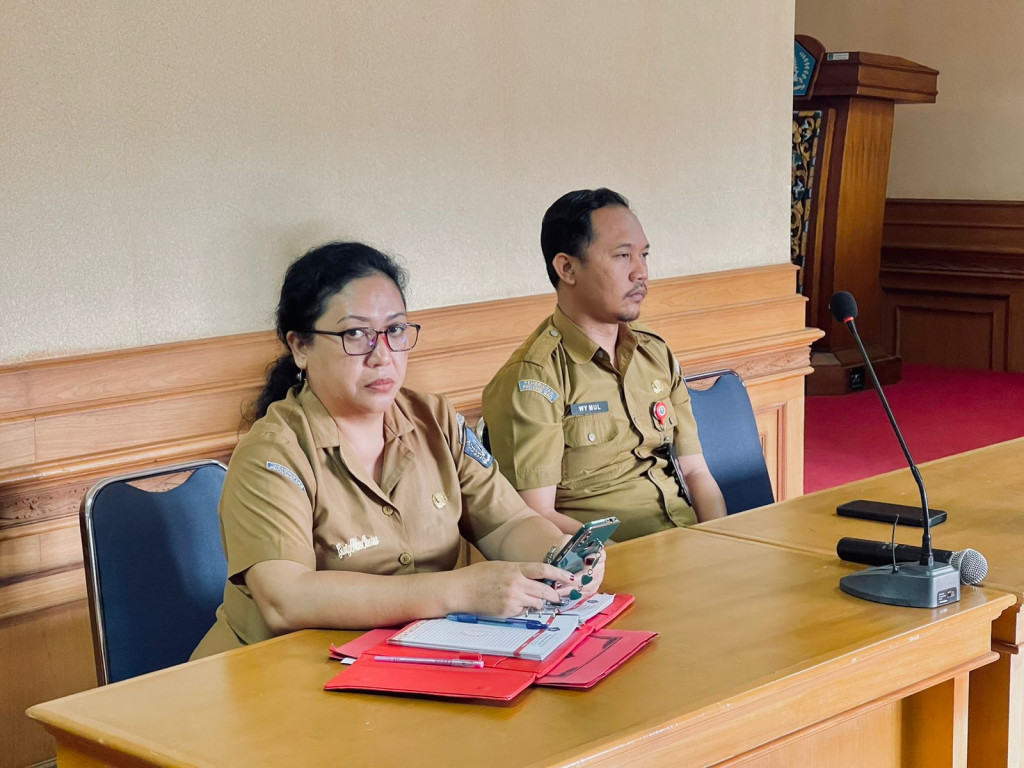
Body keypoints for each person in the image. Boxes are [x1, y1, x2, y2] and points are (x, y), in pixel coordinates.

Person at [192, 242, 603, 658]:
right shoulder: (272, 454)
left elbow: (507, 524)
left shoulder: (435, 419)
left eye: (395, 331)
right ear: (300, 346)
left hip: (413, 662)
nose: (382, 356)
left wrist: (557, 560)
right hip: (281, 674)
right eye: (355, 334)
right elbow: (287, 598)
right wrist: (456, 590)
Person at [481, 189, 727, 542]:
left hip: (689, 544)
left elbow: (695, 470)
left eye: (644, 255)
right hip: (611, 568)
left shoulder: (654, 353)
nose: (641, 272)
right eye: (623, 256)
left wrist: (721, 540)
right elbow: (534, 515)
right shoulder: (534, 377)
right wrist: (622, 561)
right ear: (567, 268)